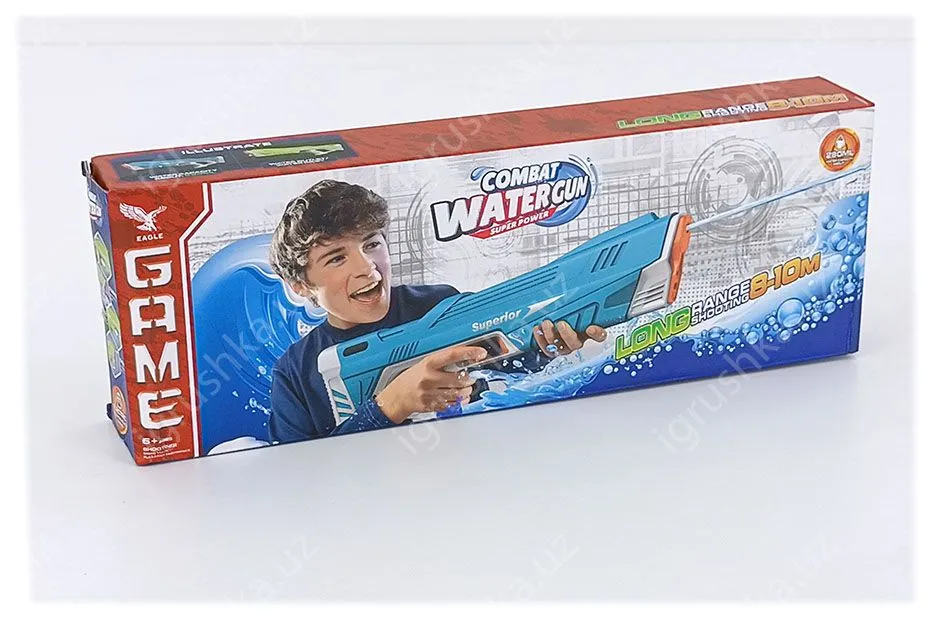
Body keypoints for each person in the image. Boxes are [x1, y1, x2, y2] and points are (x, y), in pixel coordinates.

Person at [267, 179, 607, 443]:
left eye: (372, 244)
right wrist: (390, 406)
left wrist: (545, 349)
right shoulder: (295, 372)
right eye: (337, 258)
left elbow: (511, 375)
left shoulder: (440, 306)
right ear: (300, 285)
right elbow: (298, 476)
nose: (367, 267)